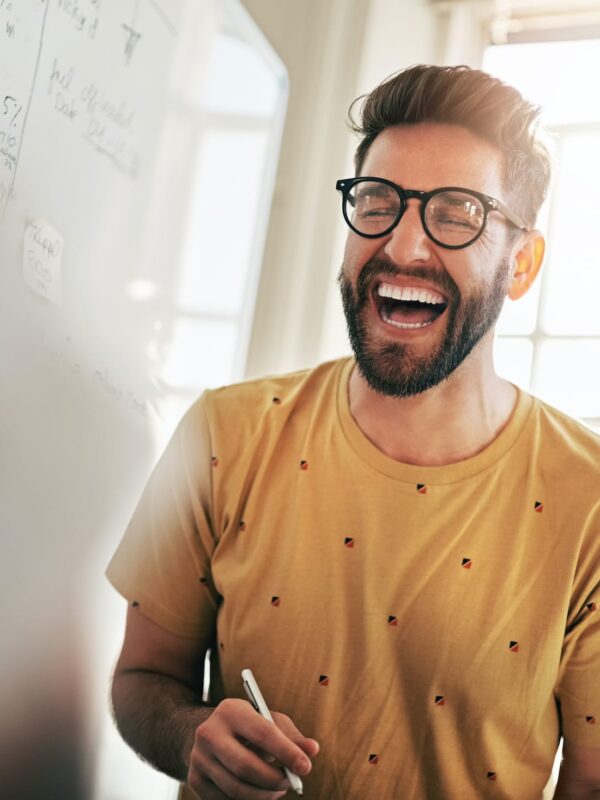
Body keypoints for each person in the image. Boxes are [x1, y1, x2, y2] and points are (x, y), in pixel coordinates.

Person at [106, 64, 600, 799]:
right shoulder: (222, 434)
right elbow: (143, 679)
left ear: (521, 263)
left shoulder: (590, 499)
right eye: (378, 202)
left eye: (456, 213)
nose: (403, 247)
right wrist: (190, 736)